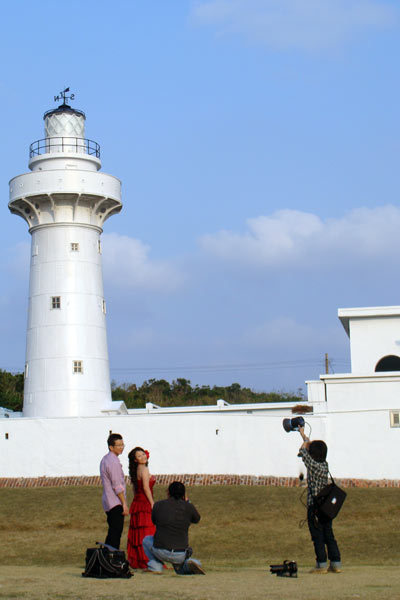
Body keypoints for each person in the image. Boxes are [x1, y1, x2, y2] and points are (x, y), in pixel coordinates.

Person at [298, 426, 342, 574]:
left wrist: (304, 443)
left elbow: (303, 452)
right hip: (326, 508)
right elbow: (309, 451)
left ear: (313, 454)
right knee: (329, 534)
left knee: (317, 536)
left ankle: (321, 564)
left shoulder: (313, 466)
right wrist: (303, 435)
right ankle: (335, 564)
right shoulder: (324, 465)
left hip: (314, 507)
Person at [142, 481, 205, 575]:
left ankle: (155, 566)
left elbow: (154, 521)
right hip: (180, 553)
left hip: (160, 549)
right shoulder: (188, 507)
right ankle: (189, 564)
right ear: (184, 494)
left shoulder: (158, 505)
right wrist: (187, 501)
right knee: (181, 565)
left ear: (168, 492)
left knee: (146, 540)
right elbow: (197, 519)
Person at [127, 446, 156, 569]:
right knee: (147, 531)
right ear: (135, 460)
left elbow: (135, 488)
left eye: (143, 454)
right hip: (144, 502)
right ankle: (146, 559)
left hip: (137, 502)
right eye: (139, 456)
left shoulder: (135, 470)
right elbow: (145, 487)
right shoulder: (144, 469)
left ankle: (138, 558)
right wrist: (152, 502)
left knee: (138, 532)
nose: (143, 457)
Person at [99, 433, 128, 550]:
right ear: (111, 447)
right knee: (115, 533)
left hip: (108, 501)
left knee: (113, 532)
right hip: (115, 502)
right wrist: (124, 503)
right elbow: (117, 485)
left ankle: (107, 557)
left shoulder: (105, 459)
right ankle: (110, 558)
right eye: (119, 445)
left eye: (122, 445)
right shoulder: (113, 461)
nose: (121, 447)